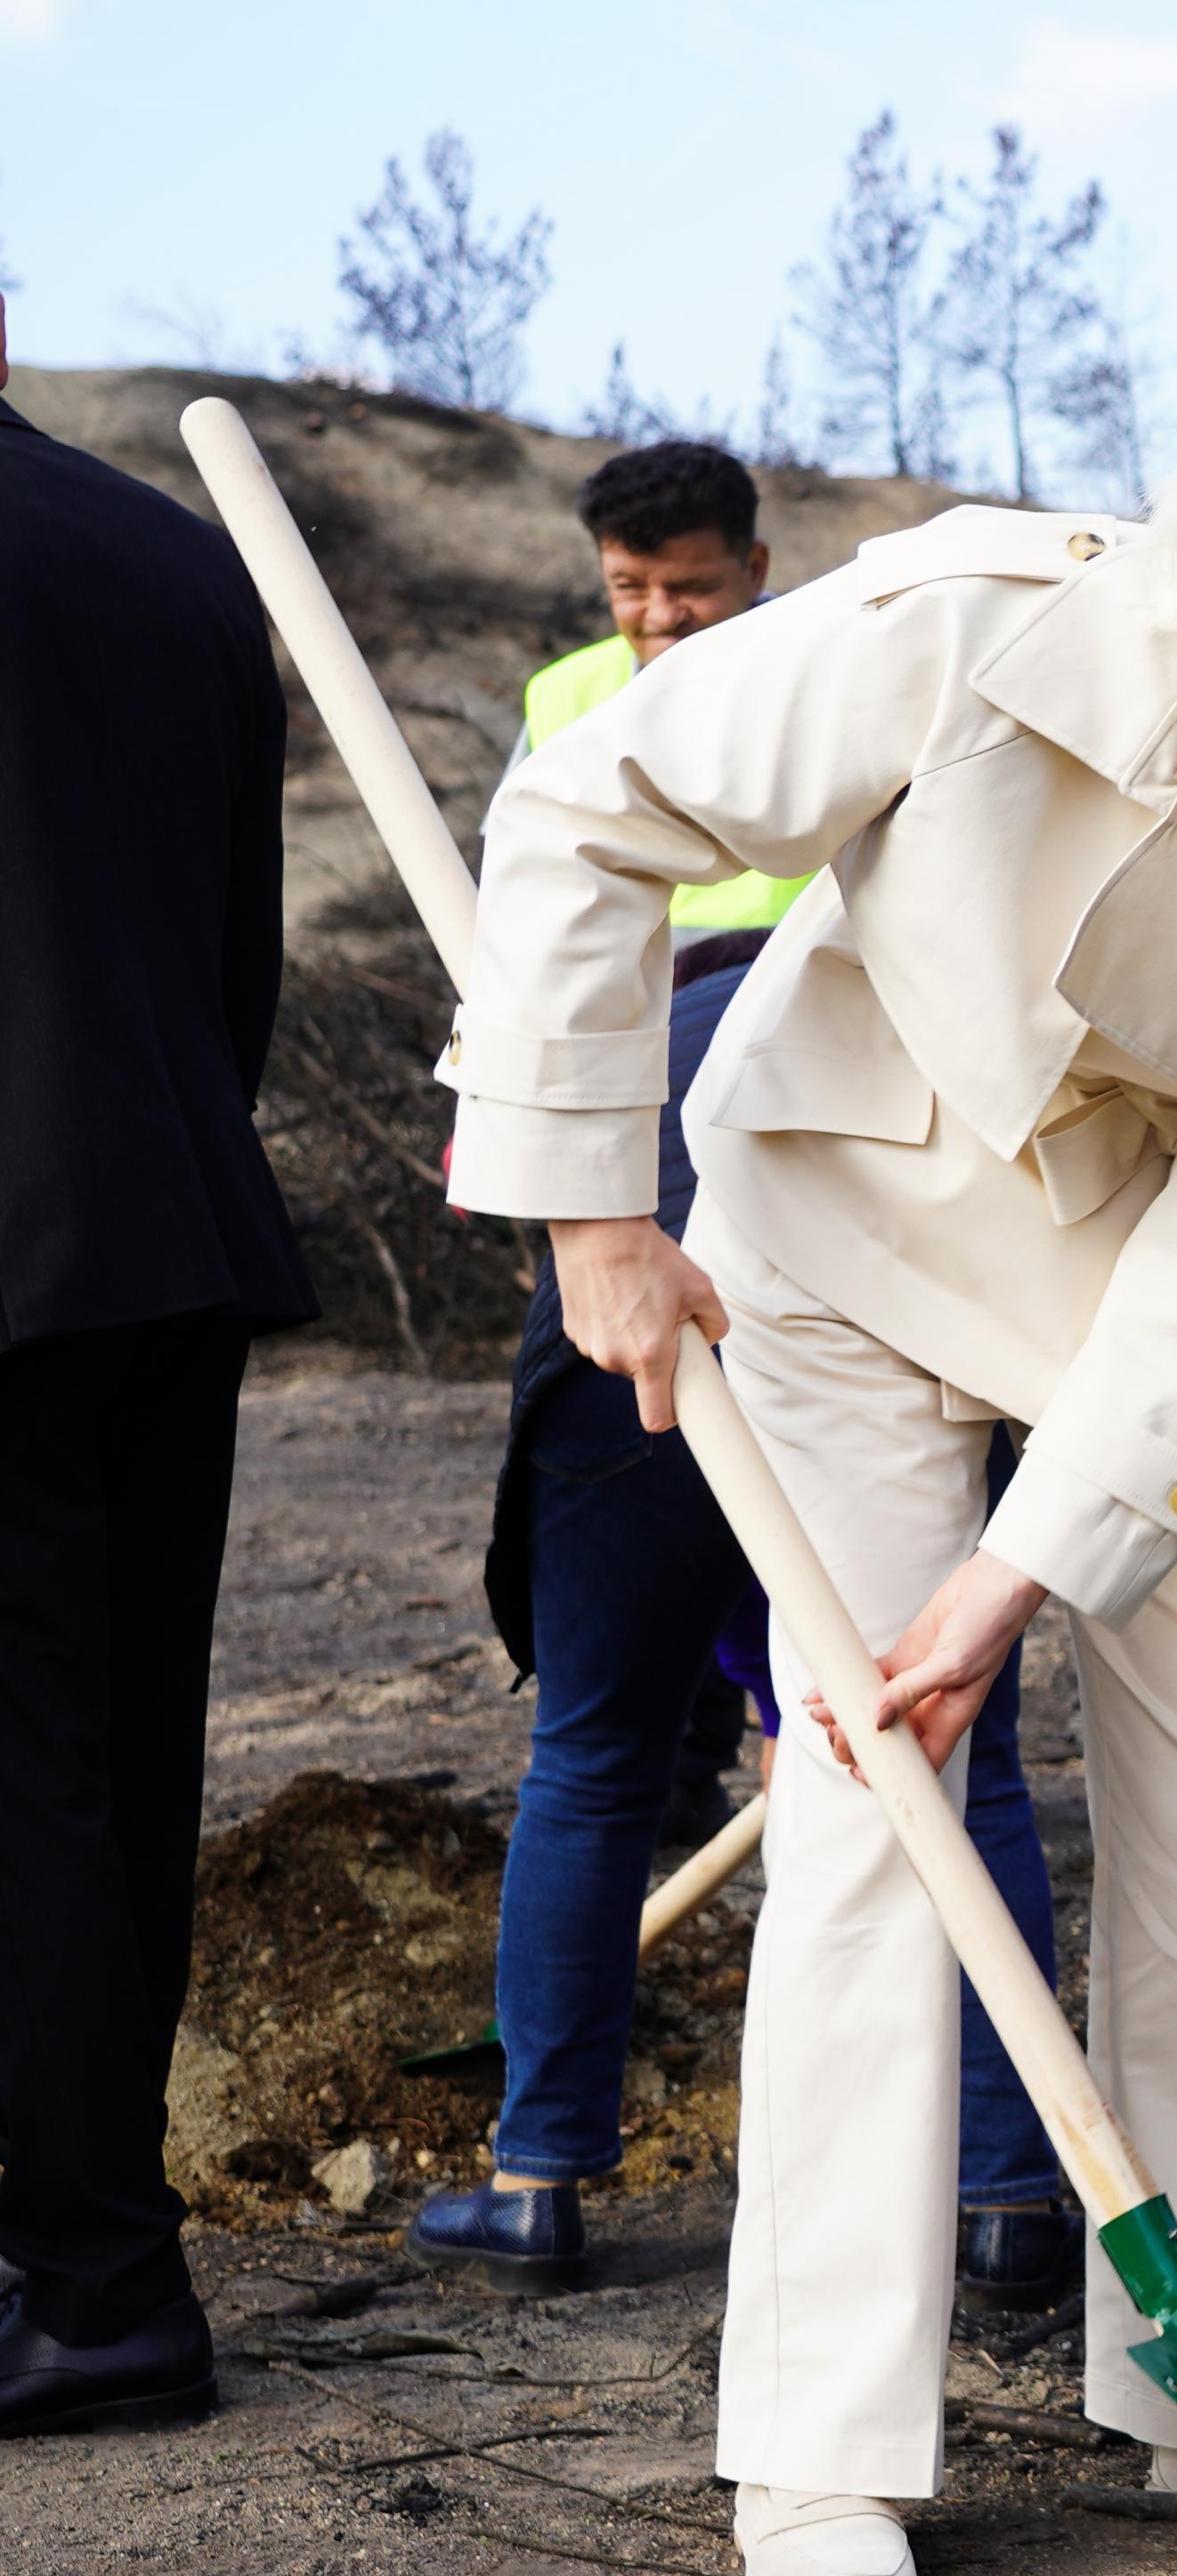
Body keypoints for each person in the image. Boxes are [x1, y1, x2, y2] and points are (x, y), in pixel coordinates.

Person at [442, 330, 1177, 2576]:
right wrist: (593, 1213)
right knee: (878, 1803)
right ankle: (822, 2441)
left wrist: (1025, 1570)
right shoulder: (970, 625)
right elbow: (591, 807)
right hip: (846, 1235)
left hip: (1167, 1318)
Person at [412, 440, 1079, 2306]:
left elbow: (557, 1016)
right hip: (850, 1274)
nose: (654, 622)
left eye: (686, 588)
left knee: (598, 1746)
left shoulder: (798, 732)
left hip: (666, 1271)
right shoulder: (856, 932)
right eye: (626, 593)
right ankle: (1009, 2192)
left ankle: (541, 2174)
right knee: (950, 1740)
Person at [0, 296, 321, 2434]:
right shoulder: (176, 555)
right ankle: (96, 2259)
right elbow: (235, 953)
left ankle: (101, 2288)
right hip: (164, 1228)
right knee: (112, 1757)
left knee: (27, 1778)